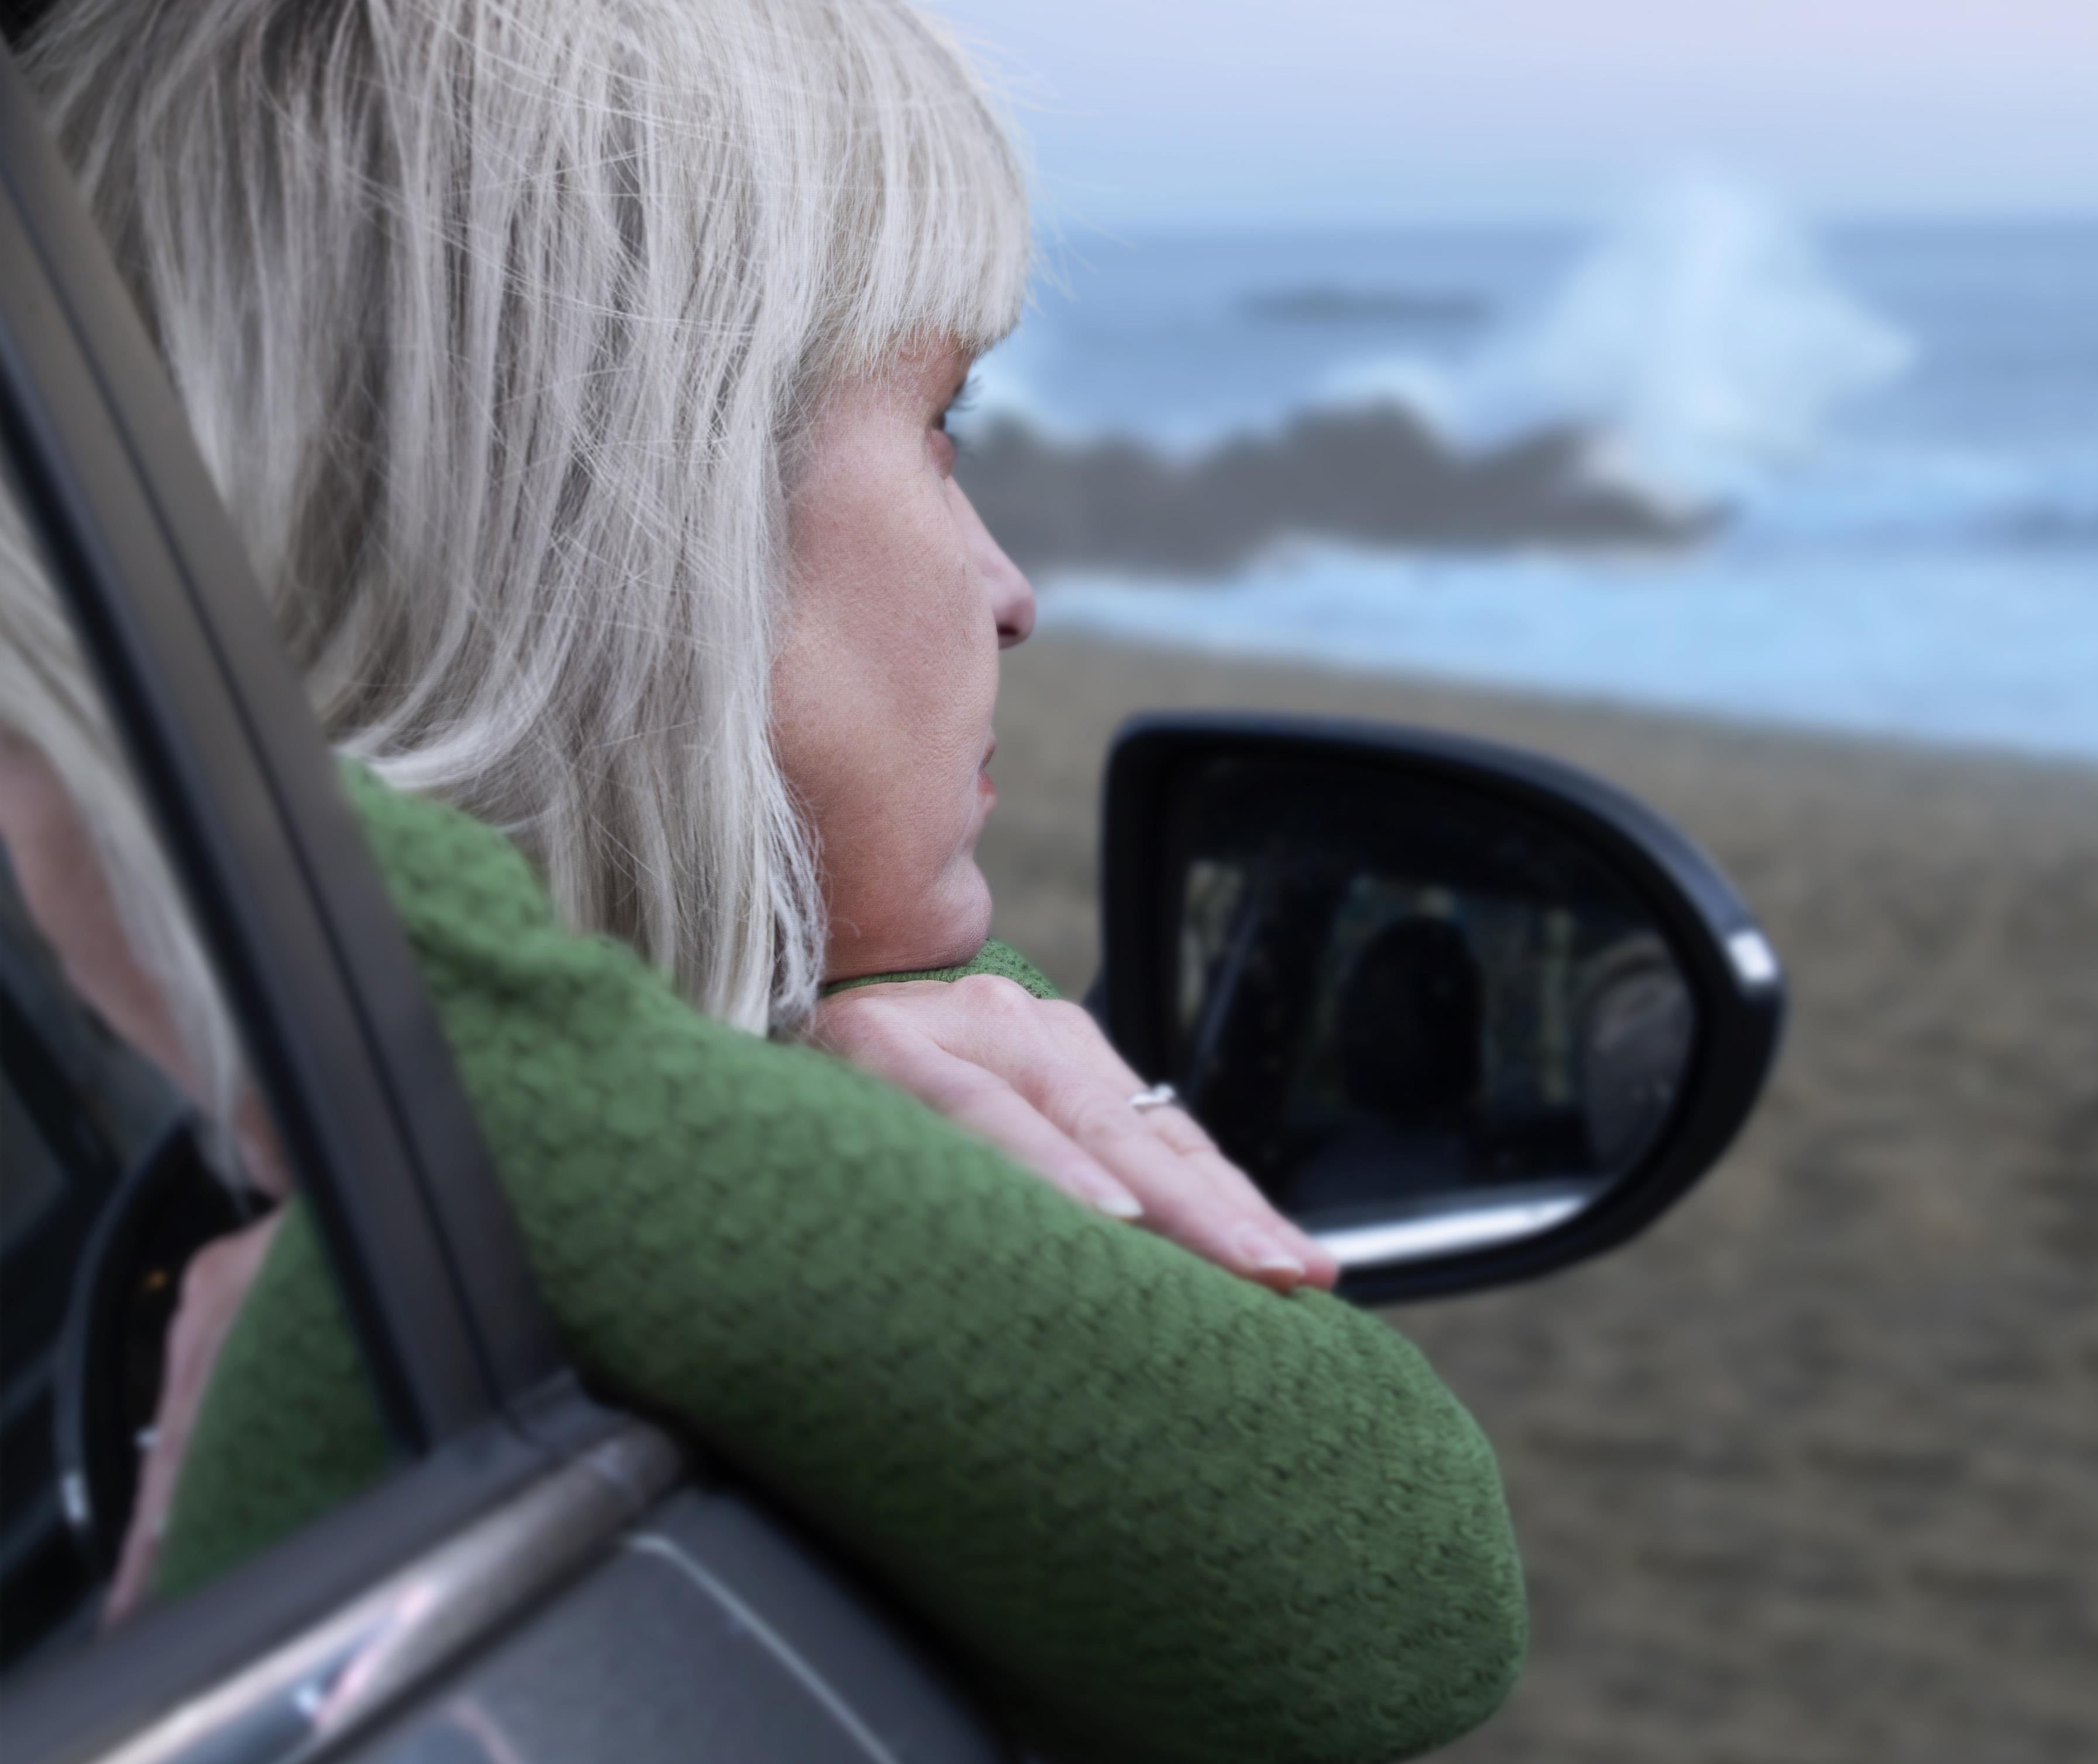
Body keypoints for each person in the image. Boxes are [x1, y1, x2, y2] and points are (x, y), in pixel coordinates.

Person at [0, 1, 1527, 1758]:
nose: (1011, 585)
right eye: (944, 425)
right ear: (622, 508)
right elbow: (1372, 1600)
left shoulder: (645, 1112)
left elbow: (1402, 1568)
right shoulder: (417, 1233)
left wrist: (807, 1064)